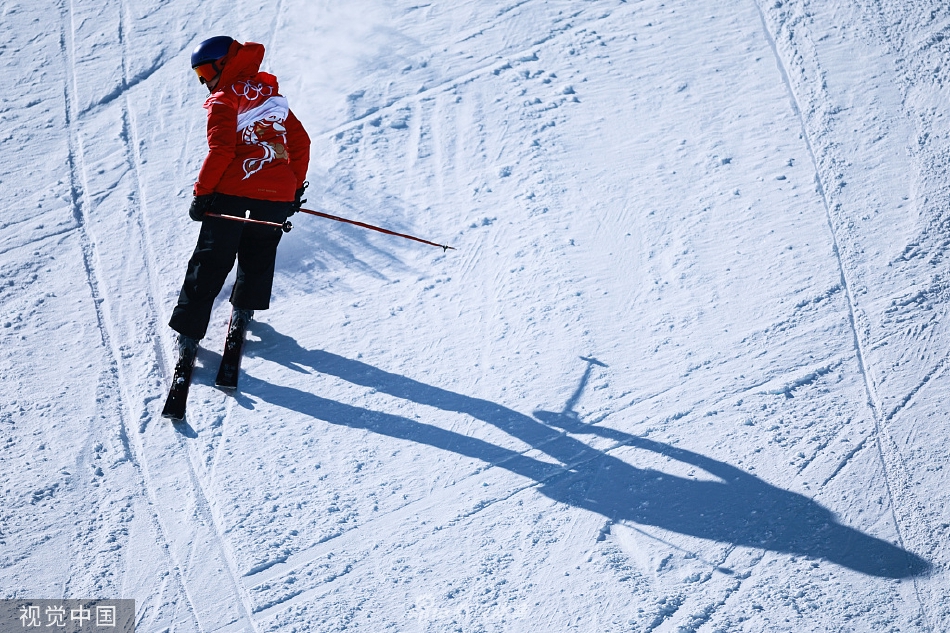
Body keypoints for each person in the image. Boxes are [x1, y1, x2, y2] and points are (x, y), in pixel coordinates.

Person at [169, 36, 311, 366]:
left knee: (211, 260)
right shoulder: (268, 94)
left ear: (224, 64)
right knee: (258, 253)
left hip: (231, 193)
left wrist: (201, 195)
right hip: (275, 196)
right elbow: (300, 141)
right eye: (197, 74)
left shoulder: (223, 100)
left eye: (205, 70)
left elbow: (221, 152)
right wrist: (293, 189)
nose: (203, 80)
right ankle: (243, 311)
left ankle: (189, 332)